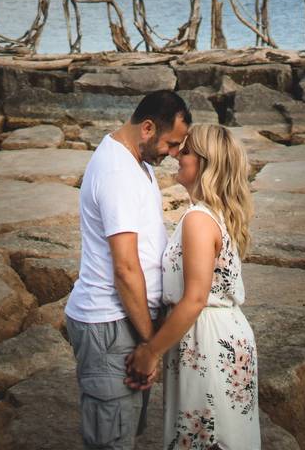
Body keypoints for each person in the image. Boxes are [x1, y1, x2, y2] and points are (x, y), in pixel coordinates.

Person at [64, 90, 191, 449]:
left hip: (128, 322)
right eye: (171, 143)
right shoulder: (117, 171)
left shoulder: (139, 163)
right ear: (147, 128)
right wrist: (151, 342)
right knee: (111, 441)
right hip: (110, 323)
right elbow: (125, 267)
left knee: (125, 434)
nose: (174, 153)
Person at [125, 124, 260, 449]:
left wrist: (150, 351)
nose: (176, 155)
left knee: (208, 438)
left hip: (207, 341)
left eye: (185, 151)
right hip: (217, 334)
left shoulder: (199, 219)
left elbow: (196, 297)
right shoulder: (212, 214)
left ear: (204, 162)